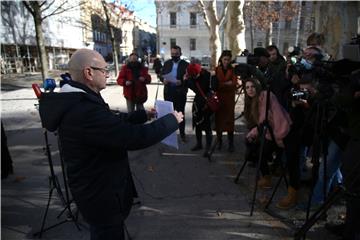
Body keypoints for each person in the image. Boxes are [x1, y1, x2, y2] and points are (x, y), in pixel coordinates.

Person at [38, 49, 184, 240]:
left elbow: (111, 121)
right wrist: (170, 121)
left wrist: (143, 114)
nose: (108, 74)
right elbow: (133, 137)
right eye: (104, 70)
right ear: (89, 73)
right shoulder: (84, 110)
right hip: (101, 196)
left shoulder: (80, 99)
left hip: (95, 189)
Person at [244, 78, 292, 189]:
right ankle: (267, 174)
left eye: (252, 86)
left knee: (259, 152)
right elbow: (261, 123)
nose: (250, 90)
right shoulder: (253, 100)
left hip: (278, 133)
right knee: (252, 146)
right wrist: (252, 133)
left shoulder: (265, 96)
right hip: (268, 132)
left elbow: (271, 118)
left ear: (257, 86)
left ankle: (267, 177)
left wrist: (278, 136)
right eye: (247, 87)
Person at [184, 63, 214, 157]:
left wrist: (188, 80)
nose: (194, 76)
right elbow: (190, 87)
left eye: (195, 75)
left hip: (207, 103)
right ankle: (199, 144)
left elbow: (198, 89)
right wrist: (186, 80)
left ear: (199, 71)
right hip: (197, 103)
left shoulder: (208, 76)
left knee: (208, 127)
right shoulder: (192, 77)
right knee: (197, 125)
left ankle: (208, 148)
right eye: (192, 75)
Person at [160, 45, 189, 142]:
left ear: (180, 54)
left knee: (180, 114)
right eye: (172, 54)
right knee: (169, 114)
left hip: (180, 92)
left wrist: (182, 81)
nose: (174, 55)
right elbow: (161, 74)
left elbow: (189, 78)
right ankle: (169, 135)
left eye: (176, 54)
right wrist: (163, 79)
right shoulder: (167, 63)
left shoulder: (185, 64)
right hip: (169, 92)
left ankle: (182, 134)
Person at [214, 50, 238, 152]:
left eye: (228, 59)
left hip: (229, 99)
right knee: (218, 121)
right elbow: (215, 85)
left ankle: (231, 144)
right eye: (224, 59)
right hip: (219, 99)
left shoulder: (233, 70)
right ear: (221, 59)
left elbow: (234, 83)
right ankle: (219, 142)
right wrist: (226, 84)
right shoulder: (216, 69)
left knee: (229, 122)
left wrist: (221, 84)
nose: (226, 61)